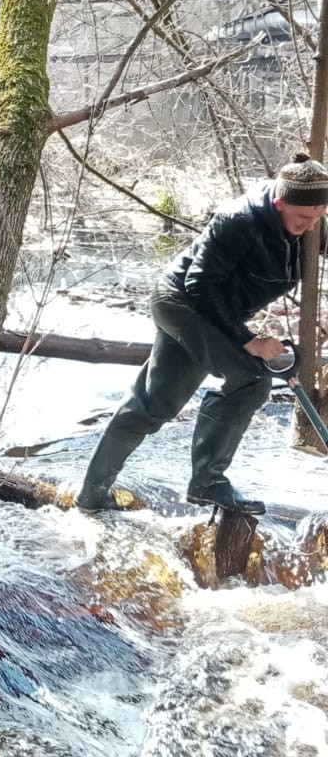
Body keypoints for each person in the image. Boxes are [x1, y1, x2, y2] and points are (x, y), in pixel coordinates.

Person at [75, 154, 328, 516]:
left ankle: (90, 498)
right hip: (183, 302)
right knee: (251, 379)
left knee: (153, 406)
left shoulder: (312, 223)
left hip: (212, 313)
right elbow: (200, 284)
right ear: (279, 203)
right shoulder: (238, 220)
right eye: (303, 218)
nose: (310, 227)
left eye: (318, 218)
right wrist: (247, 340)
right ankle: (206, 483)